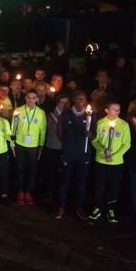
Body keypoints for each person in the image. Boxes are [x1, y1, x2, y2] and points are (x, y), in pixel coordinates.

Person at [89, 101, 131, 223]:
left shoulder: (124, 125)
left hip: (116, 163)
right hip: (101, 161)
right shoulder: (101, 123)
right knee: (99, 186)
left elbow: (126, 144)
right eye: (114, 109)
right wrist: (103, 151)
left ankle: (111, 210)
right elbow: (95, 141)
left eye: (118, 109)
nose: (117, 112)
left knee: (114, 187)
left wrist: (114, 155)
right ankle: (97, 208)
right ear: (107, 110)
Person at [55, 91, 94, 220]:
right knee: (64, 181)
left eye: (83, 99)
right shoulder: (65, 114)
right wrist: (68, 145)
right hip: (68, 153)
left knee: (81, 182)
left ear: (86, 101)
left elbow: (95, 135)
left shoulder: (91, 116)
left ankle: (79, 207)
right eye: (78, 99)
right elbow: (60, 133)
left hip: (83, 154)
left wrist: (91, 136)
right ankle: (61, 205)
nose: (80, 101)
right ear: (74, 100)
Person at [12, 89, 47, 205]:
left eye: (33, 98)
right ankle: (20, 191)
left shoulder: (41, 113)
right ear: (25, 98)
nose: (31, 100)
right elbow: (13, 127)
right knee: (20, 168)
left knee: (32, 170)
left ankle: (28, 192)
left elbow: (43, 130)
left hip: (33, 146)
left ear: (37, 99)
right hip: (20, 144)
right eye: (29, 97)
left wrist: (41, 146)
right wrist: (12, 143)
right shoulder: (18, 110)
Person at [38, 94, 68, 203]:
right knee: (50, 172)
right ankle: (49, 193)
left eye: (66, 103)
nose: (63, 105)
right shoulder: (49, 116)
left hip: (64, 148)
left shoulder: (68, 116)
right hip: (51, 147)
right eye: (61, 102)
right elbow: (43, 131)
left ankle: (59, 193)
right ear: (57, 103)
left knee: (61, 173)